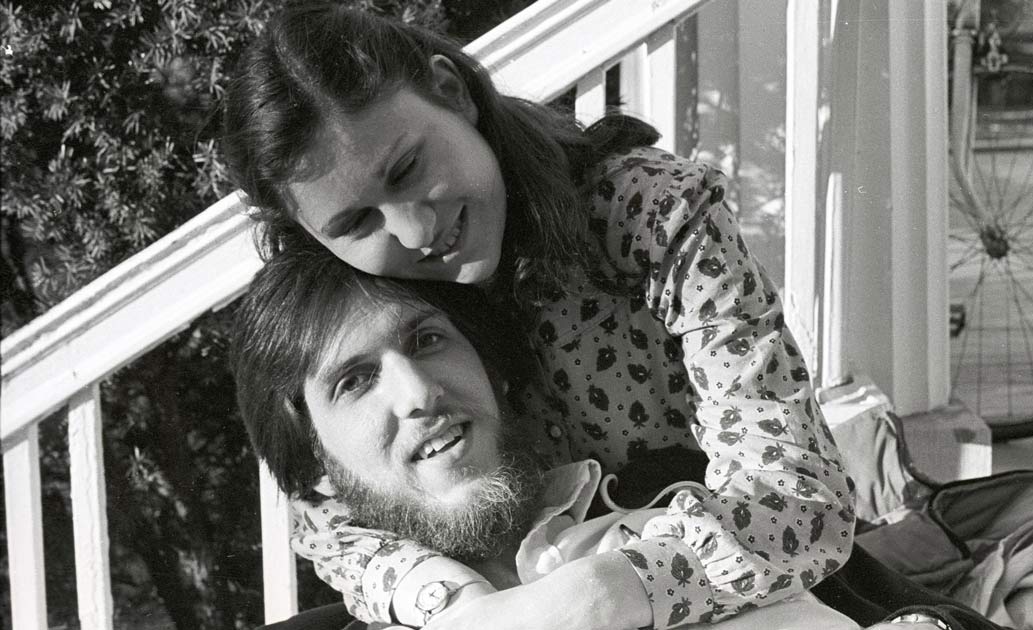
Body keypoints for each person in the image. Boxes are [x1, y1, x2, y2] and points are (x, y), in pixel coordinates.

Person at [221, 3, 858, 628]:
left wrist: (591, 599)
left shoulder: (651, 216)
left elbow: (798, 500)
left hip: (737, 588)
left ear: (451, 92)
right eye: (358, 221)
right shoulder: (366, 302)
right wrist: (463, 607)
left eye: (408, 168)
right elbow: (327, 516)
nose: (414, 230)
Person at [231, 246, 947, 630]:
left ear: (496, 373)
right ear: (316, 470)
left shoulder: (689, 526)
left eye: (427, 340)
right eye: (354, 382)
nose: (418, 394)